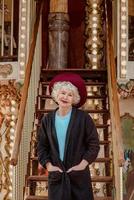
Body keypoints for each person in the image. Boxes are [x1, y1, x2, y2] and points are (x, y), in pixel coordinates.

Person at [37, 73, 100, 200]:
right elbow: (41, 147)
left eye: (70, 95)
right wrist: (49, 166)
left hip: (79, 176)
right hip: (57, 176)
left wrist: (82, 165)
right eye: (63, 93)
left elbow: (94, 145)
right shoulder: (47, 120)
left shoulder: (84, 118)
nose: (65, 97)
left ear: (74, 98)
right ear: (56, 94)